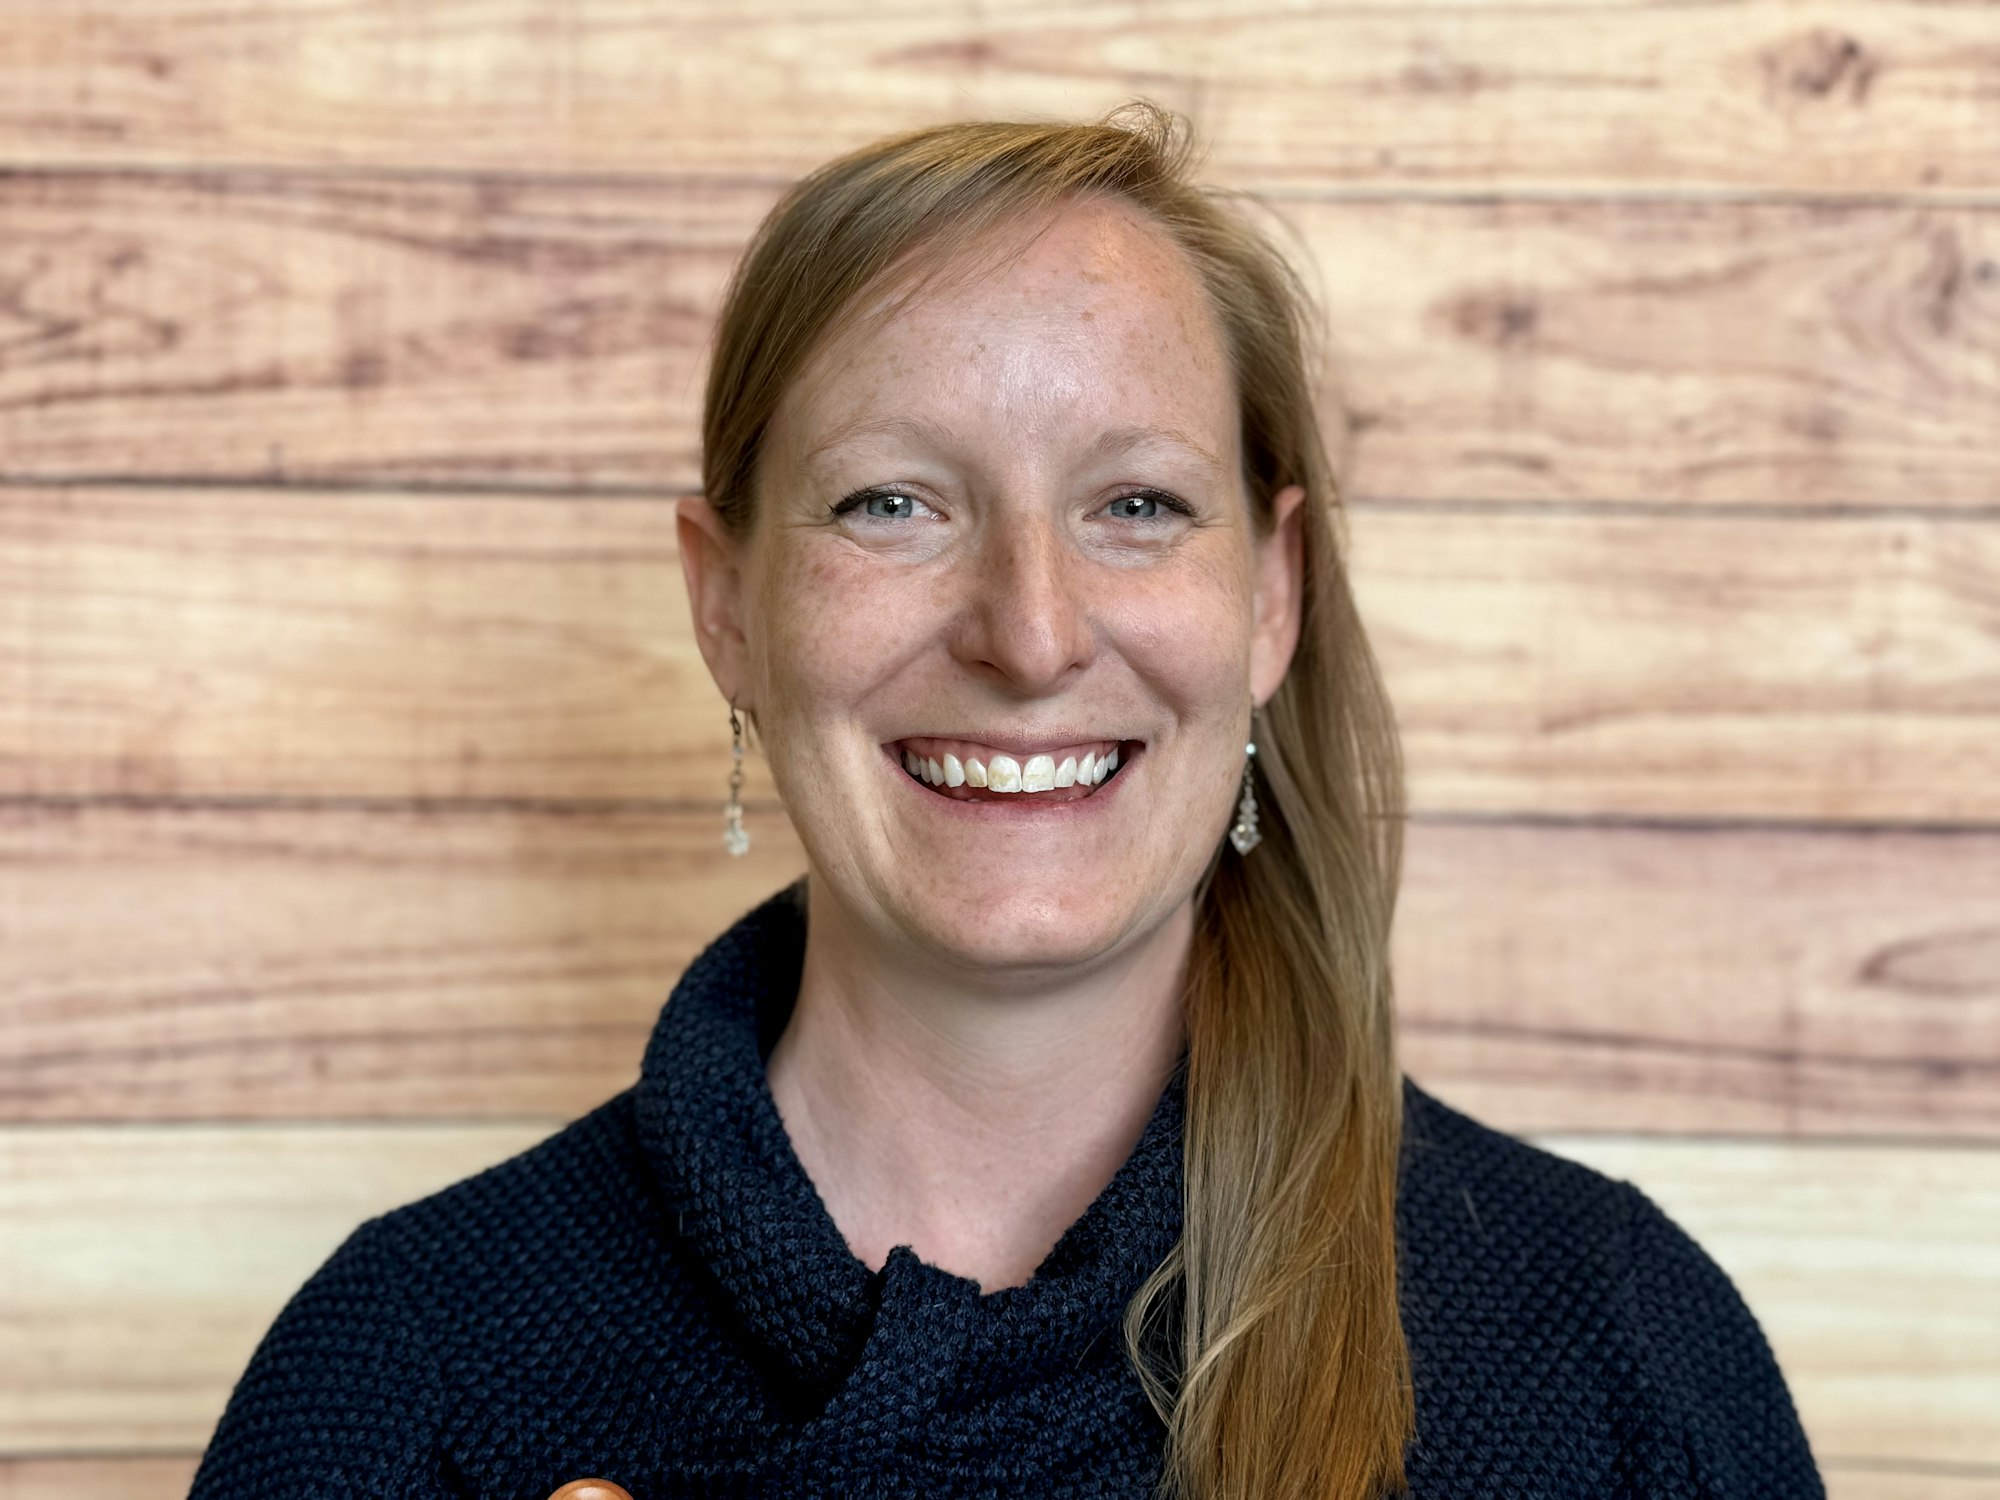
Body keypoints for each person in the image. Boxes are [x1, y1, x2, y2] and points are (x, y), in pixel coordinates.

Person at [188, 103, 1826, 1500]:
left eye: (1137, 504)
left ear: (1272, 596)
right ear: (727, 605)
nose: (1031, 635)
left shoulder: (1618, 1362)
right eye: (892, 504)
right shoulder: (401, 1383)